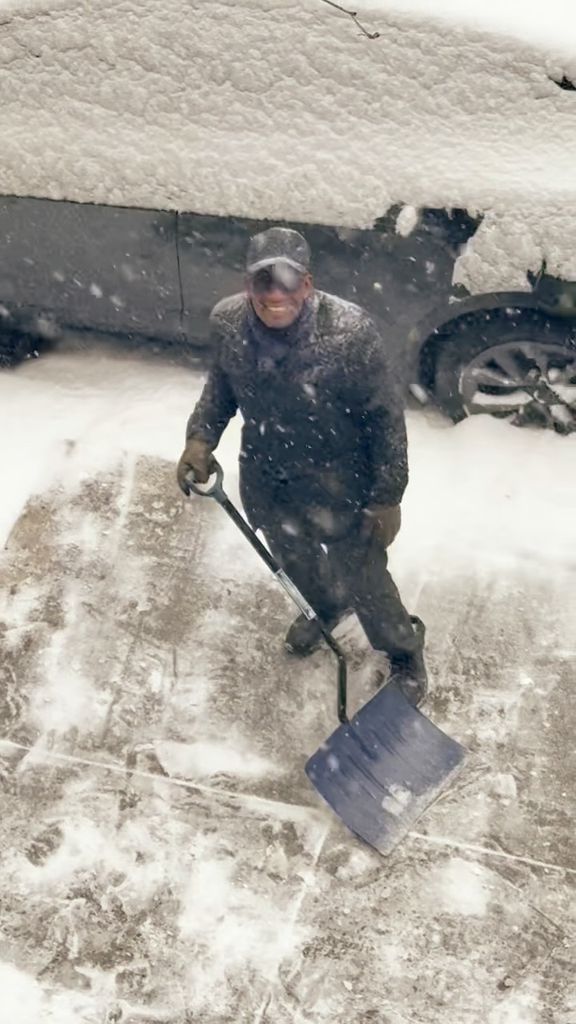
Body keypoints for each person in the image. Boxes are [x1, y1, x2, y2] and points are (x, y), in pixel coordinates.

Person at [177, 226, 428, 705]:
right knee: (296, 563)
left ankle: (403, 651)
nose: (275, 295)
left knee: (366, 580)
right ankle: (326, 608)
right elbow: (222, 387)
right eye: (262, 282)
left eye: (288, 282)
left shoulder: (350, 333)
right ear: (247, 284)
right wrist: (200, 437)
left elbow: (385, 418)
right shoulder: (229, 322)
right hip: (268, 477)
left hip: (342, 482)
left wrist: (387, 496)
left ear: (308, 284)